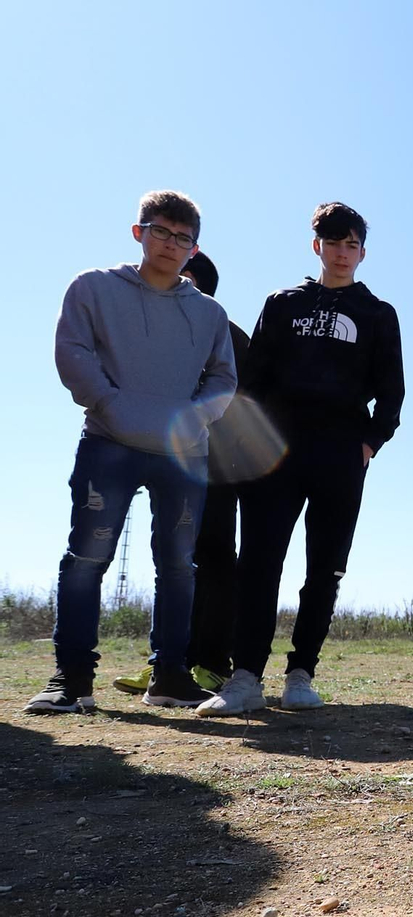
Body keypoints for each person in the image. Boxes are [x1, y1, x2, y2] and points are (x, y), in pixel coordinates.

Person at [26, 190, 236, 714]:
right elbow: (71, 350)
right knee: (86, 559)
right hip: (108, 444)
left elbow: (223, 378)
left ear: (194, 248)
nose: (170, 244)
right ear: (139, 232)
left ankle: (170, 677)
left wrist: (192, 419)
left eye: (182, 238)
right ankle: (72, 680)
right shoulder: (93, 288)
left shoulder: (209, 313)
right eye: (160, 231)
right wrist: (108, 403)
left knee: (179, 566)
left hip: (183, 455)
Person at [198, 202, 405, 717]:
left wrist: (370, 442)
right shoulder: (283, 303)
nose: (342, 253)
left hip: (340, 452)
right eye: (333, 243)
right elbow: (254, 381)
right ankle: (245, 678)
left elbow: (392, 391)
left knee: (325, 569)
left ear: (363, 252)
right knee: (259, 563)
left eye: (351, 244)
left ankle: (301, 675)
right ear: (317, 246)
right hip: (275, 453)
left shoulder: (377, 313)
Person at [112, 251, 257, 697]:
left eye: (186, 277)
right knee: (173, 560)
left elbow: (249, 403)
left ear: (204, 286)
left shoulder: (230, 334)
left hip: (218, 466)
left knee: (215, 558)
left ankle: (212, 665)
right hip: (168, 462)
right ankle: (166, 663)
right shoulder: (155, 333)